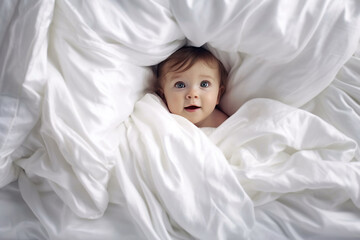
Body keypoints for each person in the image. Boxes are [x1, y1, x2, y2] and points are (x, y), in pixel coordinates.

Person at [156, 46, 229, 128]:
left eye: (204, 84)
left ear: (218, 95)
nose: (193, 94)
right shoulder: (163, 122)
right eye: (180, 85)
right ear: (163, 97)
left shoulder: (224, 124)